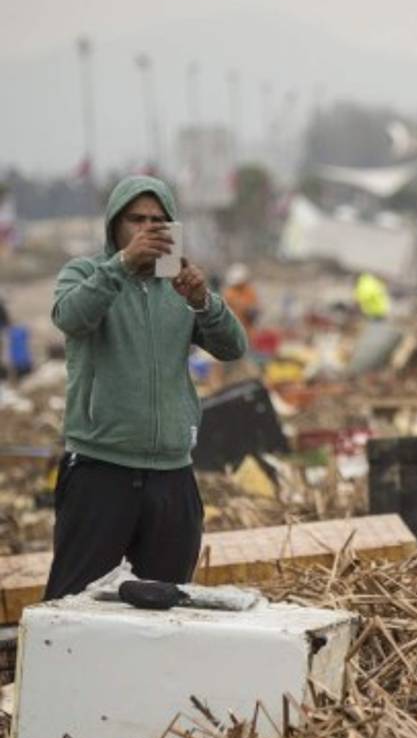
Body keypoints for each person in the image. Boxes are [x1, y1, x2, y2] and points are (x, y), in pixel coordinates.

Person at [44, 176, 247, 600]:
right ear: (115, 225)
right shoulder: (85, 274)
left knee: (168, 606)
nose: (148, 228)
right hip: (101, 469)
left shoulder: (177, 286)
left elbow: (233, 347)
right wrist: (120, 266)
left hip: (172, 474)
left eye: (159, 220)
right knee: (74, 604)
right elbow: (70, 318)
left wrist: (202, 302)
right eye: (136, 219)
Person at [222, 263, 260, 333]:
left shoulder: (250, 291)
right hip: (232, 328)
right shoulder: (229, 293)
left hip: (247, 329)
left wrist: (251, 311)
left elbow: (255, 310)